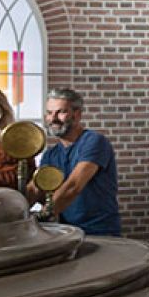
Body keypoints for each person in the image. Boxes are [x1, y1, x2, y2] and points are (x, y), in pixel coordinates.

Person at [31, 87, 121, 237]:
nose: (53, 118)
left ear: (77, 114)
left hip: (100, 232)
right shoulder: (50, 155)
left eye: (61, 112)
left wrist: (41, 216)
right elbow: (36, 188)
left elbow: (73, 186)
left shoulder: (94, 141)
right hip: (67, 232)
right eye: (49, 113)